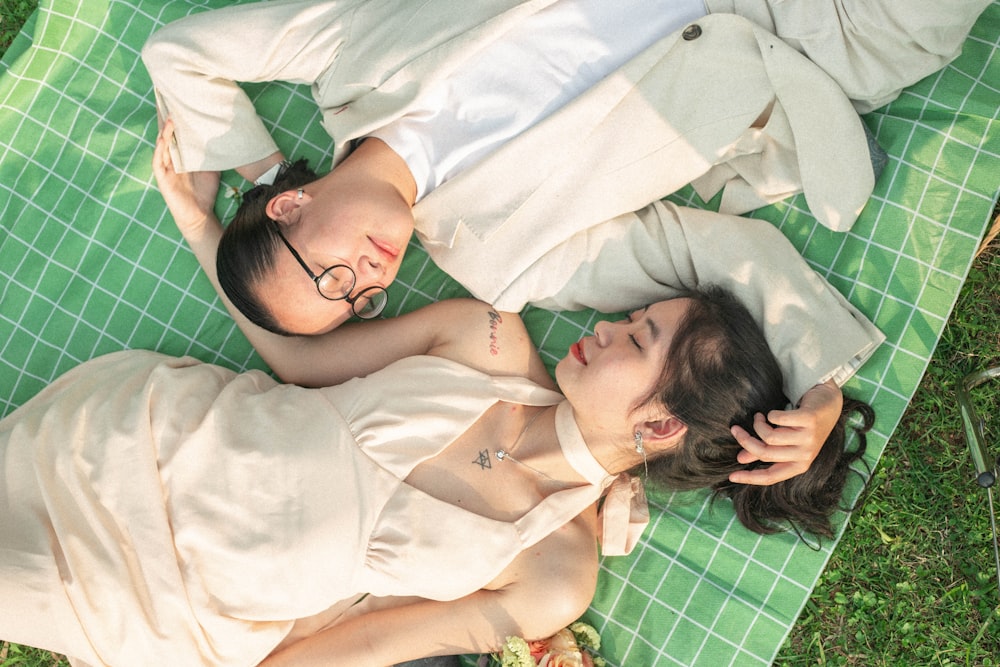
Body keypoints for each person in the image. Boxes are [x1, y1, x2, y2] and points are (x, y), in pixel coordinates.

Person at [143, 0, 907, 486]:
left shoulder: (355, 48)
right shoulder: (503, 258)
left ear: (290, 207)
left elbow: (177, 50)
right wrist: (818, 393)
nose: (370, 278)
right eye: (359, 302)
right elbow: (711, 252)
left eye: (329, 274)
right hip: (815, 29)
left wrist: (261, 166)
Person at [0, 283, 873, 667]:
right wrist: (202, 231)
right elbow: (298, 362)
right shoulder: (484, 334)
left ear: (658, 425)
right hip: (145, 441)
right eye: (632, 315)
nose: (606, 324)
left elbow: (376, 642)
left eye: (636, 338)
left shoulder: (556, 571)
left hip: (168, 603)